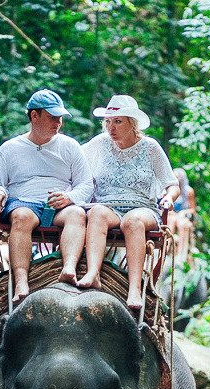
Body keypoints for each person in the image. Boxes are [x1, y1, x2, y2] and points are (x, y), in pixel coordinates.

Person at [0, 89, 90, 304]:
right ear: (34, 115)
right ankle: (21, 280)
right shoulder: (10, 148)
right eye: (52, 117)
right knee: (21, 216)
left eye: (60, 118)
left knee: (77, 214)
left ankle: (69, 268)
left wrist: (69, 197)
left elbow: (86, 184)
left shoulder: (70, 146)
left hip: (59, 205)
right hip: (23, 203)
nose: (58, 122)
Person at [75, 95, 179, 312]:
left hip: (142, 207)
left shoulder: (150, 147)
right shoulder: (99, 143)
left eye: (117, 121)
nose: (111, 127)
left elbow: (172, 184)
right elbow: (72, 159)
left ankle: (134, 288)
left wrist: (169, 198)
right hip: (107, 204)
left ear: (133, 123)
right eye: (108, 122)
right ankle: (93, 273)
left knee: (132, 222)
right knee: (97, 213)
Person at [171, 167, 197, 267]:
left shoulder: (188, 191)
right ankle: (165, 247)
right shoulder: (171, 190)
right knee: (171, 221)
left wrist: (183, 212)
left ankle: (181, 254)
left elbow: (193, 209)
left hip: (183, 216)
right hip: (172, 216)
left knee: (182, 224)